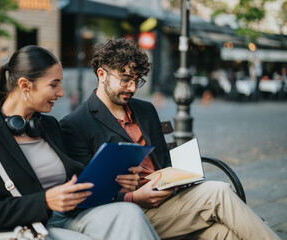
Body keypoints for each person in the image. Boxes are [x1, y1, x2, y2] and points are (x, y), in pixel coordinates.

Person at [60, 39, 281, 240]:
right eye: (126, 79)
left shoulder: (144, 110)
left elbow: (164, 163)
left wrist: (176, 179)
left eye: (138, 81)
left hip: (169, 201)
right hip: (128, 214)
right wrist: (135, 197)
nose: (133, 88)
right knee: (219, 193)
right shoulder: (76, 124)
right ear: (101, 74)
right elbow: (82, 198)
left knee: (224, 233)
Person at [0, 45, 160, 240]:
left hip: (68, 218)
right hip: (28, 228)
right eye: (54, 85)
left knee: (129, 213)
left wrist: (114, 184)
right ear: (24, 85)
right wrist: (44, 201)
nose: (61, 92)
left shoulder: (48, 125)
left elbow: (75, 182)